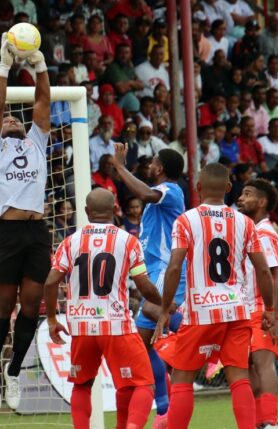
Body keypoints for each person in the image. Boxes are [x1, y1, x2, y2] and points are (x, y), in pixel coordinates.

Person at [153, 162, 277, 429]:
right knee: (239, 377)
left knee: (183, 379)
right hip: (237, 309)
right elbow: (264, 271)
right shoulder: (245, 223)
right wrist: (268, 309)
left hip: (201, 311)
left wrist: (164, 309)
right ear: (229, 188)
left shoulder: (186, 220)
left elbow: (174, 267)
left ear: (197, 188)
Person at [44, 188, 162, 429]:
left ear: (87, 212)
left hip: (82, 326)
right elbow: (144, 286)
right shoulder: (128, 241)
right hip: (116, 325)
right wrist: (166, 303)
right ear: (115, 209)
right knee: (143, 384)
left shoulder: (70, 242)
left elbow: (50, 282)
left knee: (82, 384)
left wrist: (52, 320)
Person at [0, 34, 51, 411]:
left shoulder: (36, 143)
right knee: (4, 305)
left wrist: (39, 65)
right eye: (8, 118)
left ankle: (12, 371)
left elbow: (42, 101)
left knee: (31, 305)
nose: (11, 118)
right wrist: (5, 66)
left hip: (36, 230)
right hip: (6, 230)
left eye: (15, 118)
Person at [112, 142, 185, 428]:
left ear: (161, 168)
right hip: (153, 267)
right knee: (143, 345)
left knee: (156, 311)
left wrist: (120, 168)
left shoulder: (172, 191)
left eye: (153, 161)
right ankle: (164, 409)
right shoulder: (162, 197)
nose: (150, 164)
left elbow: (144, 192)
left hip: (165, 267)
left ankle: (203, 335)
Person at [237, 179, 278, 429]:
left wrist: (274, 314)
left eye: (247, 194)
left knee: (262, 362)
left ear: (262, 201)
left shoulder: (264, 233)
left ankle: (270, 422)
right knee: (246, 366)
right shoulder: (250, 230)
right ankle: (260, 421)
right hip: (248, 307)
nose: (240, 198)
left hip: (264, 306)